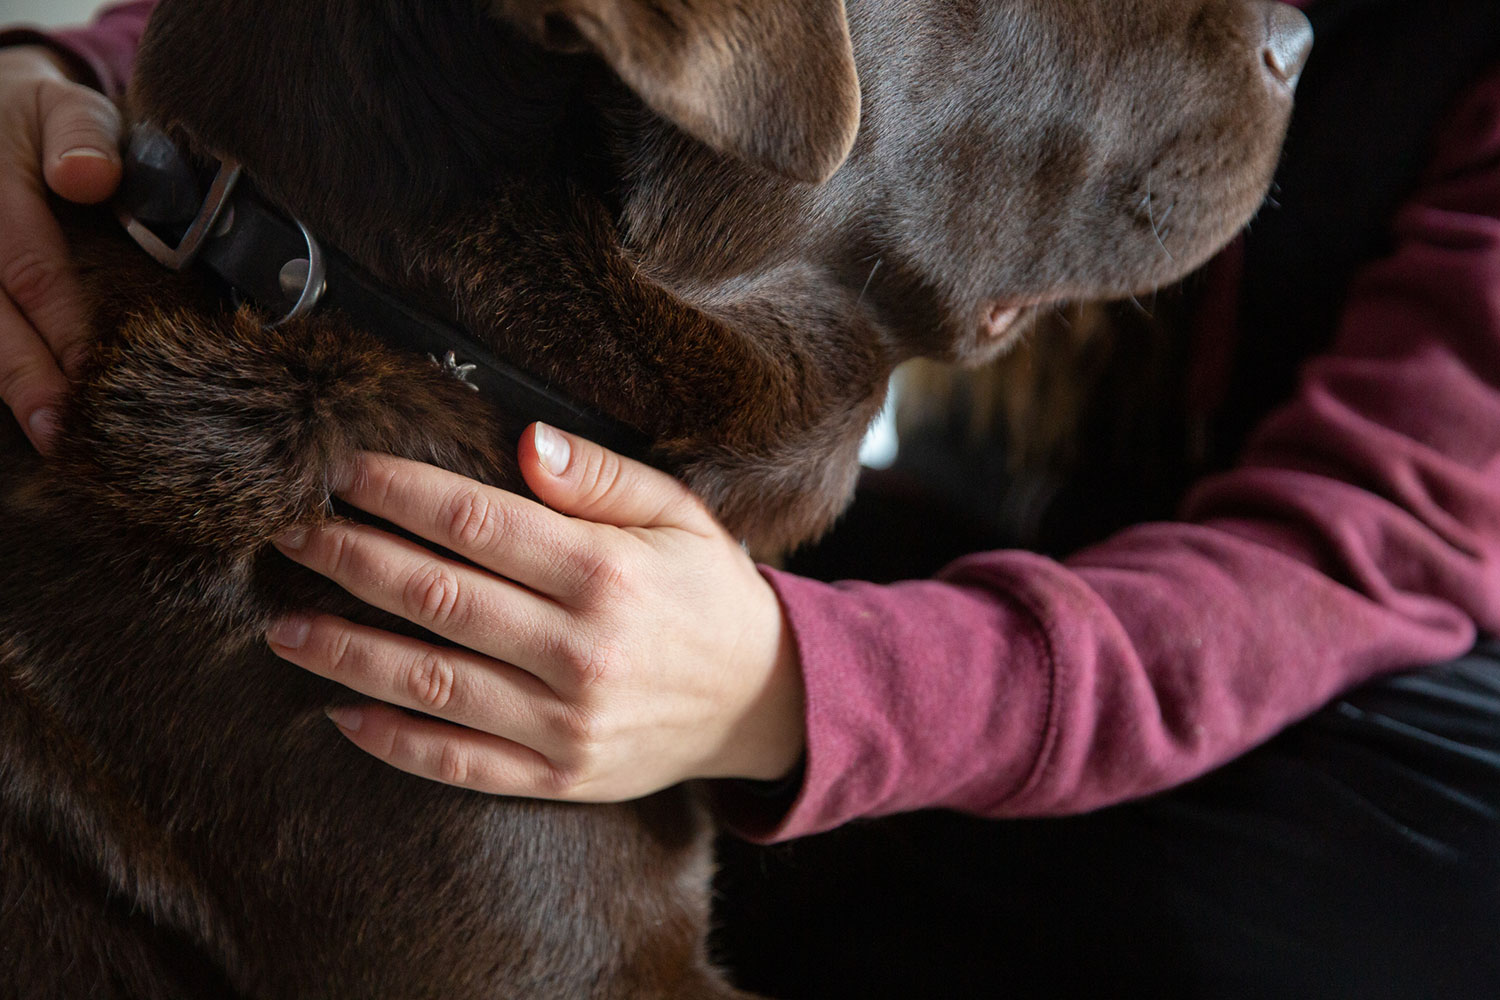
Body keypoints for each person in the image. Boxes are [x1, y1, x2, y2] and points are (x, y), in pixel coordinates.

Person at [3, 2, 1500, 997]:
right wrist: (65, 82)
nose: (1268, 28)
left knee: (1355, 827)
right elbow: (404, 57)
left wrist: (791, 688)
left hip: (1360, 633)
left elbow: (1379, 541)